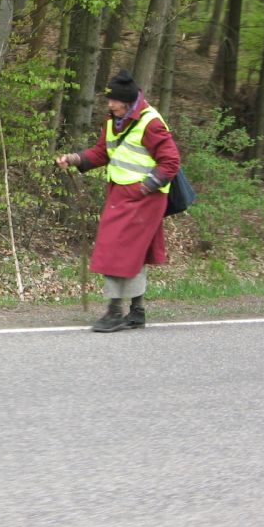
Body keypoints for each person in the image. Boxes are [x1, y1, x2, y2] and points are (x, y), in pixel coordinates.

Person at [56, 69, 180, 332]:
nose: (109, 104)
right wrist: (75, 158)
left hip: (144, 197)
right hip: (121, 194)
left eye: (114, 100)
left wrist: (145, 188)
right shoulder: (114, 120)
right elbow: (103, 152)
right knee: (133, 252)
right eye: (109, 100)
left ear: (127, 100)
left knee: (113, 249)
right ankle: (136, 311)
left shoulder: (151, 122)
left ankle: (114, 312)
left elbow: (171, 162)